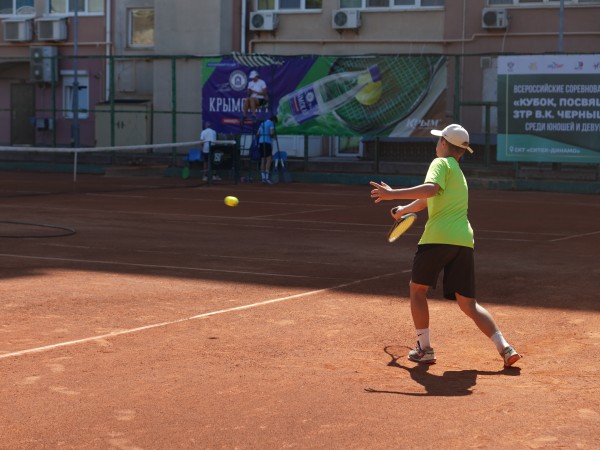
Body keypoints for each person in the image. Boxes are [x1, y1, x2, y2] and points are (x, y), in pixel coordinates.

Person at [369, 124, 522, 368]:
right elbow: (428, 199)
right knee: (469, 304)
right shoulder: (458, 174)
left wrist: (392, 194)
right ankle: (505, 347)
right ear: (462, 150)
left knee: (417, 290)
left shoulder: (439, 163)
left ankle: (424, 349)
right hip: (463, 241)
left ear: (443, 143)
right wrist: (404, 210)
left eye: (439, 139)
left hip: (437, 238)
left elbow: (430, 189)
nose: (437, 143)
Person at [257, 116, 277, 184]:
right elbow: (271, 133)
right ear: (274, 121)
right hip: (267, 142)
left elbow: (258, 133)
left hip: (261, 142)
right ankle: (267, 177)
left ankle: (263, 178)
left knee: (263, 159)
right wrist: (273, 136)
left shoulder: (262, 123)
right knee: (269, 159)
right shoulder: (271, 123)